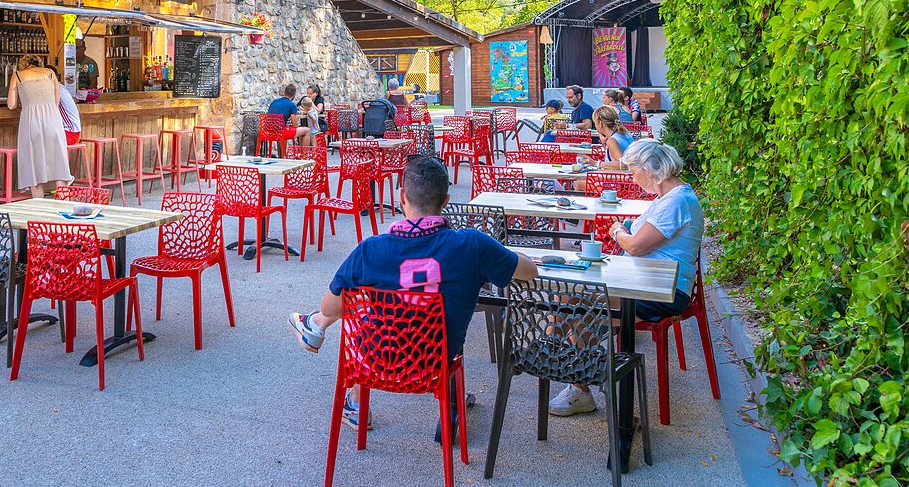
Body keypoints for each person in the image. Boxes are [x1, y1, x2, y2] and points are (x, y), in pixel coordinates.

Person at [289, 156, 538, 432]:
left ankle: (355, 401)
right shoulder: (472, 245)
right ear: (445, 202)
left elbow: (331, 307)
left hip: (377, 359)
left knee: (364, 301)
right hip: (436, 362)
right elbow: (527, 272)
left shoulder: (370, 250)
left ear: (401, 197)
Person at [549, 139, 703, 416]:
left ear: (649, 168)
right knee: (568, 297)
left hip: (663, 292)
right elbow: (645, 235)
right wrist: (628, 227)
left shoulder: (676, 201)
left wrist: (618, 230)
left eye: (633, 171)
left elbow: (635, 246)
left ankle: (567, 370)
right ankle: (559, 358)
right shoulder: (671, 197)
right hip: (645, 283)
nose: (631, 177)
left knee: (579, 304)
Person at [8, 55, 73, 199]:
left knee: (33, 162)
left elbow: (11, 105)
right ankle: (65, 202)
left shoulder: (18, 75)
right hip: (53, 119)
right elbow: (56, 101)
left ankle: (39, 204)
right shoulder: (50, 73)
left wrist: (23, 101)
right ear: (39, 63)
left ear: (23, 65)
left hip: (31, 121)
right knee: (59, 161)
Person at [573, 106, 634, 193]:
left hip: (618, 186)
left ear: (600, 124)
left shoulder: (612, 140)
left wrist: (595, 163)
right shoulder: (624, 134)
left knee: (579, 184)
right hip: (630, 183)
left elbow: (622, 165)